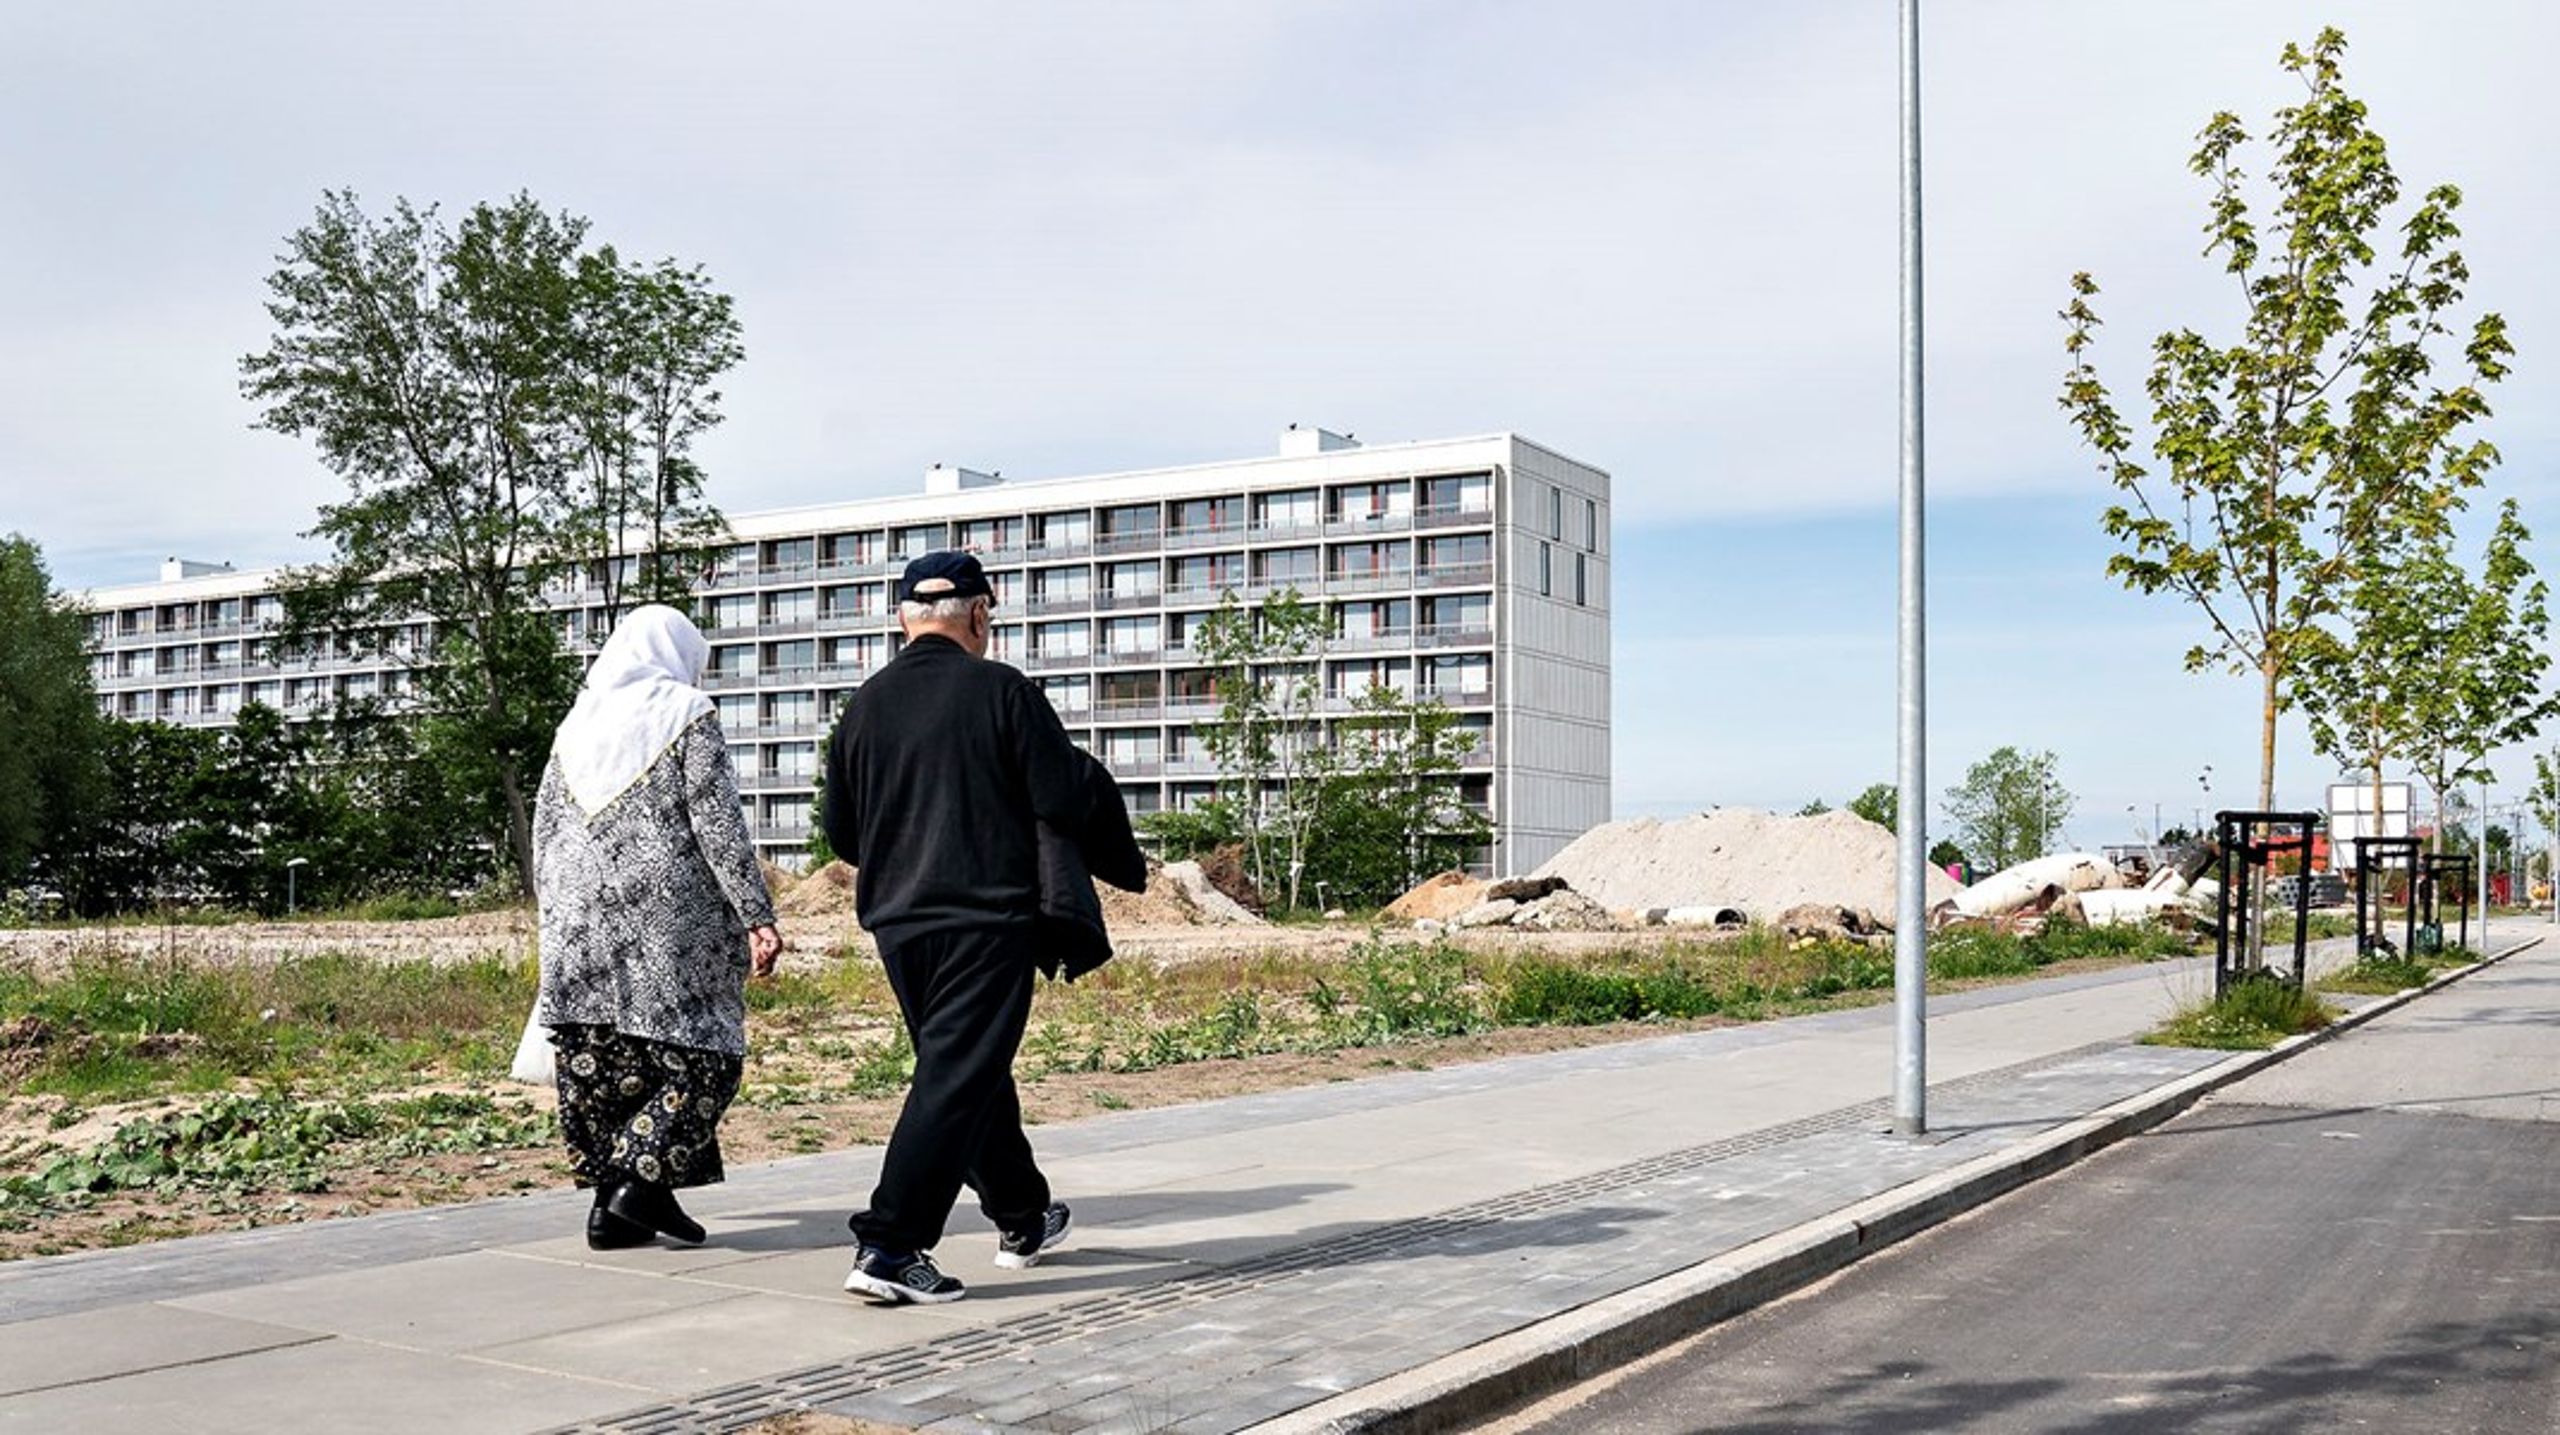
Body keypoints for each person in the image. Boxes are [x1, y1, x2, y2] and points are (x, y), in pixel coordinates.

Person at [821, 550, 1143, 1304]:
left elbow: (842, 833)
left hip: (898, 921)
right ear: (977, 614)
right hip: (986, 918)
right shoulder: (1003, 690)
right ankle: (890, 1244)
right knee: (955, 1075)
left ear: (902, 620)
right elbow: (1060, 795)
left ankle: (1022, 1215)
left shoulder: (863, 706)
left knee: (966, 1070)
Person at [533, 603, 782, 1250]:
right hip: (667, 929)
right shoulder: (686, 713)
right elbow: (718, 825)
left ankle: (615, 1213)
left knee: (605, 1066)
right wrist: (756, 914)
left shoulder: (575, 723)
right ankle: (635, 1191)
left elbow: (545, 835)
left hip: (577, 930)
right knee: (707, 1058)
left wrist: (555, 920)